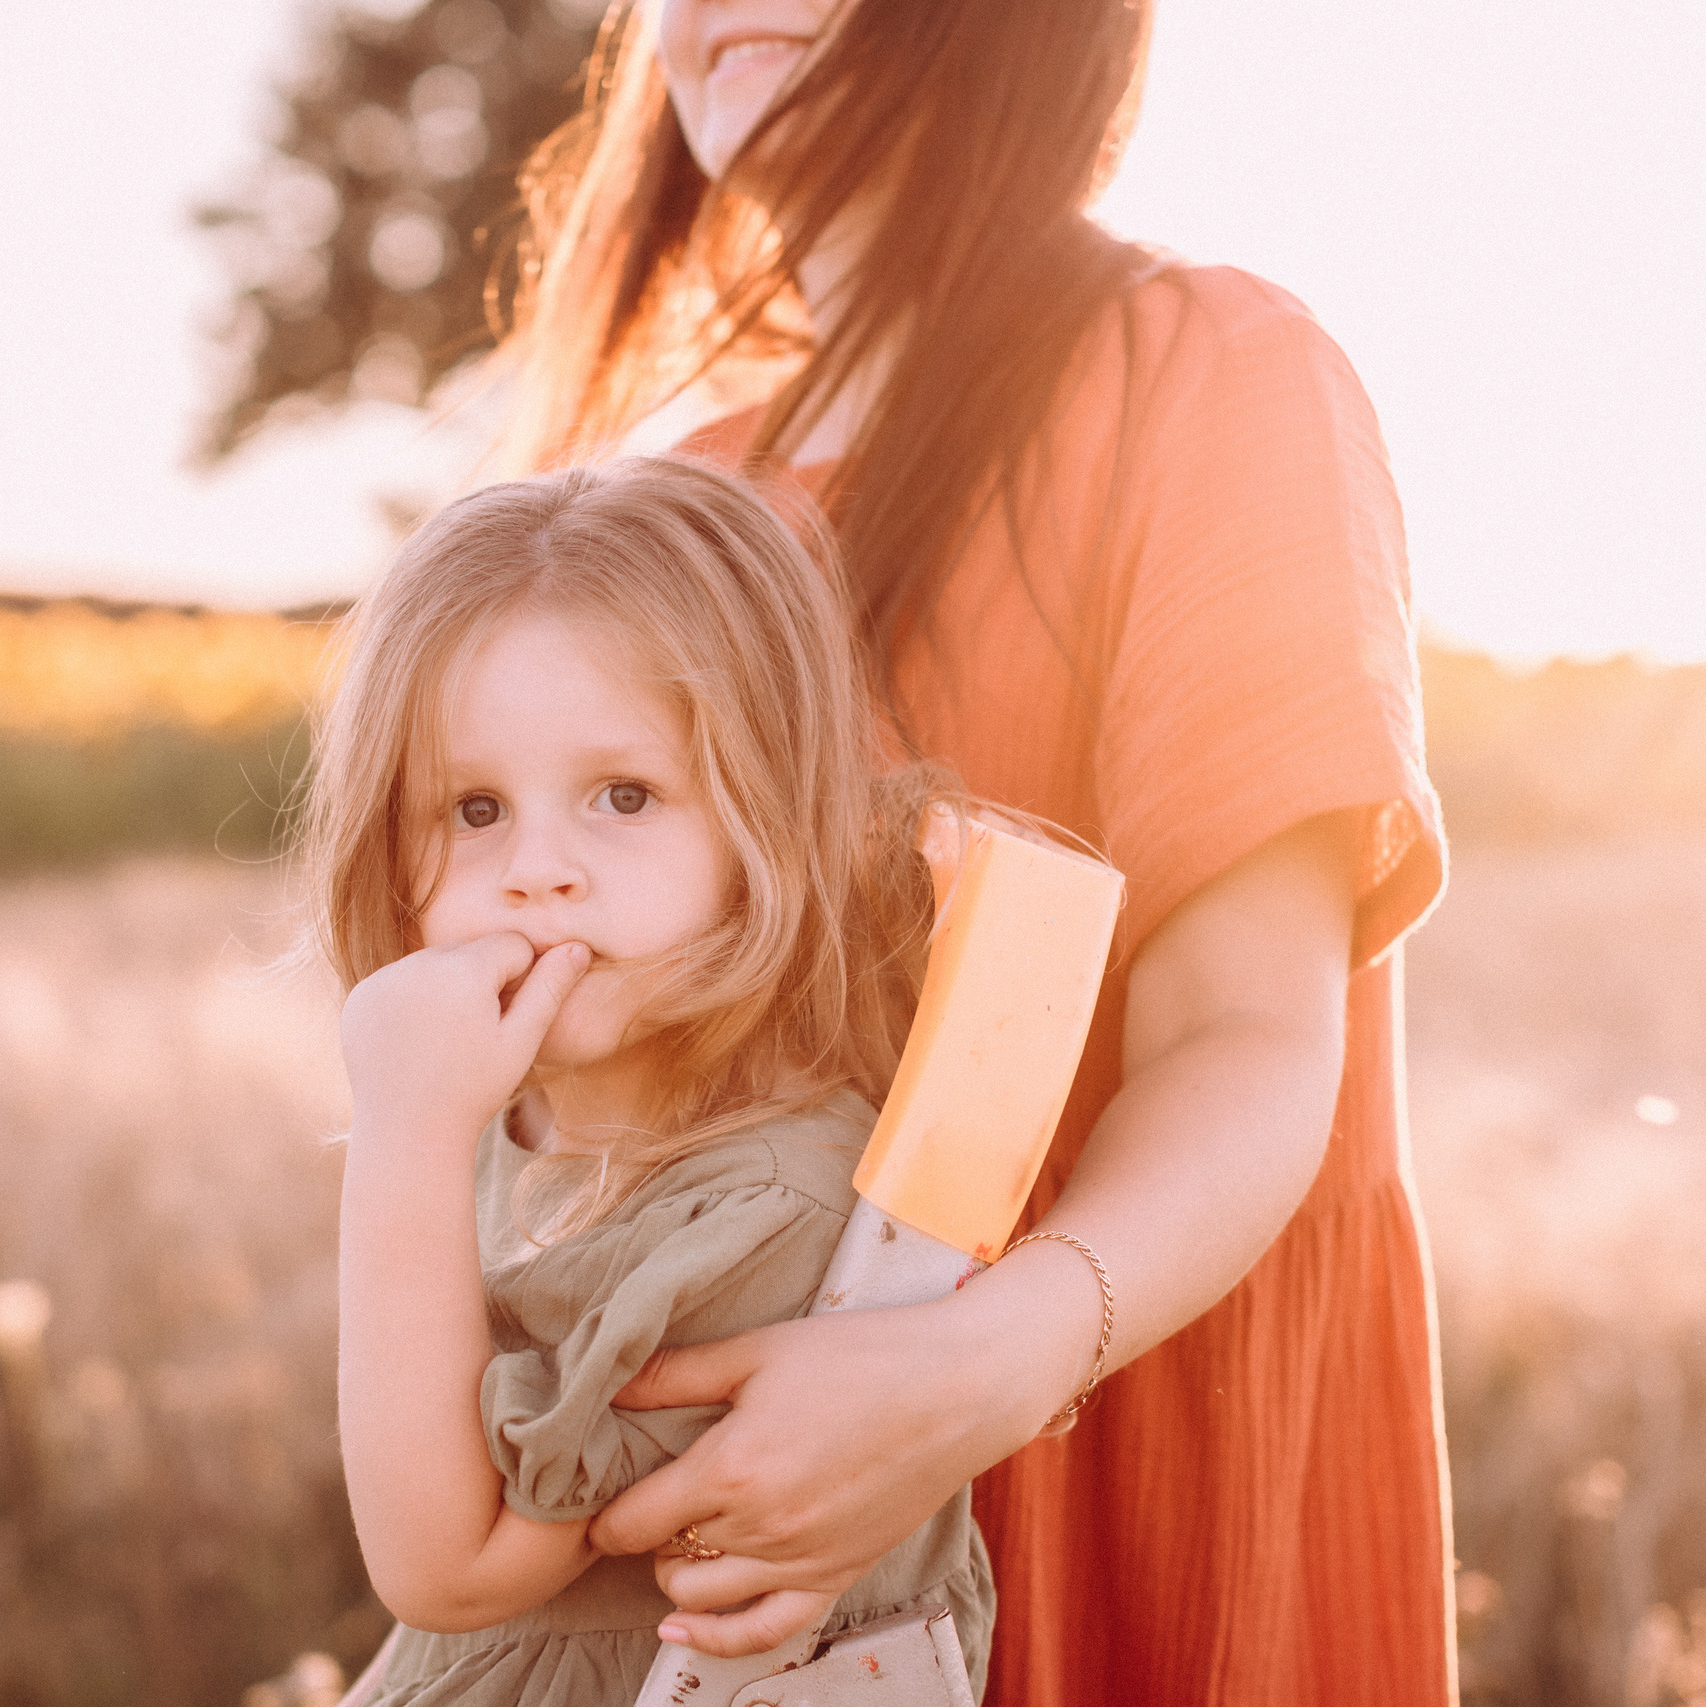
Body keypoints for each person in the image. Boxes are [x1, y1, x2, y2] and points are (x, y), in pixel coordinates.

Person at [483, 1, 1455, 1702]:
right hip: (749, 1580)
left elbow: (1249, 1034)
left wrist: (969, 1374)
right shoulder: (670, 511)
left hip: (1135, 1428)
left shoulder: (1211, 374)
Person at [304, 455, 995, 1705]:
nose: (538, 871)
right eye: (472, 810)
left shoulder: (764, 1216)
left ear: (763, 825)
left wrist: (400, 1129)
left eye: (623, 796)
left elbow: (444, 1572)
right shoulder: (505, 1118)